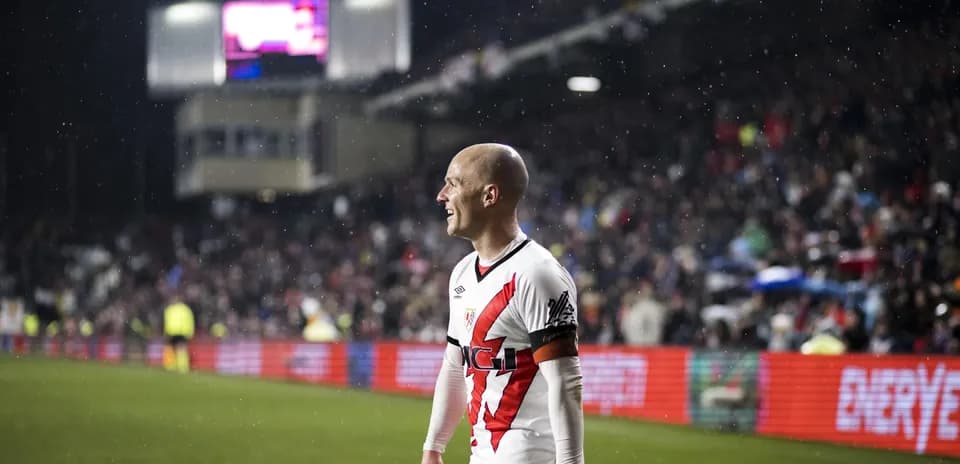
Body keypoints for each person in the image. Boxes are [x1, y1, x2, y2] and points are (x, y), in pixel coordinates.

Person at [421, 143, 585, 464]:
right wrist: (434, 447)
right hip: (482, 454)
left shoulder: (537, 274)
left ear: (489, 196)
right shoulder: (463, 273)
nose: (442, 195)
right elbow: (456, 366)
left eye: (453, 184)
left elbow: (565, 381)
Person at [163, 294, 195, 373]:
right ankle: (182, 367)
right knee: (181, 350)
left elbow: (167, 321)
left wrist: (165, 332)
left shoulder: (169, 309)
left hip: (172, 332)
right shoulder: (186, 309)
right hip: (182, 332)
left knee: (172, 349)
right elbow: (190, 321)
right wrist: (190, 333)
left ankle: (171, 366)